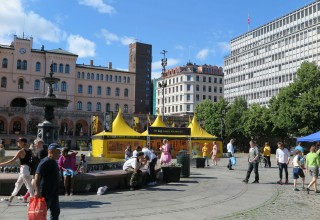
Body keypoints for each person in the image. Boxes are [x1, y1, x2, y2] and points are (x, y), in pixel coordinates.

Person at [0, 137, 34, 205]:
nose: (17, 143)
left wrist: (1, 163)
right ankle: (10, 199)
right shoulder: (30, 150)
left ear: (22, 143)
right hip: (27, 170)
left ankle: (32, 202)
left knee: (29, 187)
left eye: (19, 141)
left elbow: (12, 160)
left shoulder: (21, 151)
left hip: (24, 171)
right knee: (18, 185)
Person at [34, 143, 61, 220]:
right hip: (45, 193)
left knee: (55, 212)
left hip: (54, 193)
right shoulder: (45, 162)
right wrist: (37, 191)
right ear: (51, 151)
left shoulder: (54, 162)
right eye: (58, 151)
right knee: (41, 214)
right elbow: (36, 177)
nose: (60, 153)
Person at [21, 138, 47, 202]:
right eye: (39, 142)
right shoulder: (32, 150)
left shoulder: (43, 151)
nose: (41, 144)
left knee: (34, 184)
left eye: (41, 142)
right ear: (35, 144)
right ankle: (28, 197)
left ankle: (27, 197)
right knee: (33, 184)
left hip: (40, 169)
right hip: (35, 169)